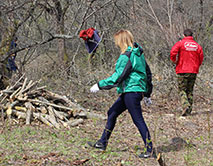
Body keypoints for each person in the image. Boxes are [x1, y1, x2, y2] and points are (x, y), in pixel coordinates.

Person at [88, 29, 154, 158]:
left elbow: (118, 77)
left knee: (138, 120)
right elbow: (148, 73)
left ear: (121, 41)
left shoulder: (127, 56)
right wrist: (147, 93)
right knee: (112, 113)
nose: (116, 43)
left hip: (131, 91)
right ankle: (102, 142)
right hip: (133, 91)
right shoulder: (138, 54)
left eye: (117, 41)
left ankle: (150, 149)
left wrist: (99, 85)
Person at [170, 29, 203, 116]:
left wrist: (174, 61)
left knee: (182, 90)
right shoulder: (197, 45)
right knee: (190, 90)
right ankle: (189, 111)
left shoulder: (180, 43)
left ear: (184, 35)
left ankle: (185, 105)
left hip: (182, 70)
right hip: (193, 70)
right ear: (192, 36)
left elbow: (173, 52)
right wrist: (197, 65)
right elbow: (201, 57)